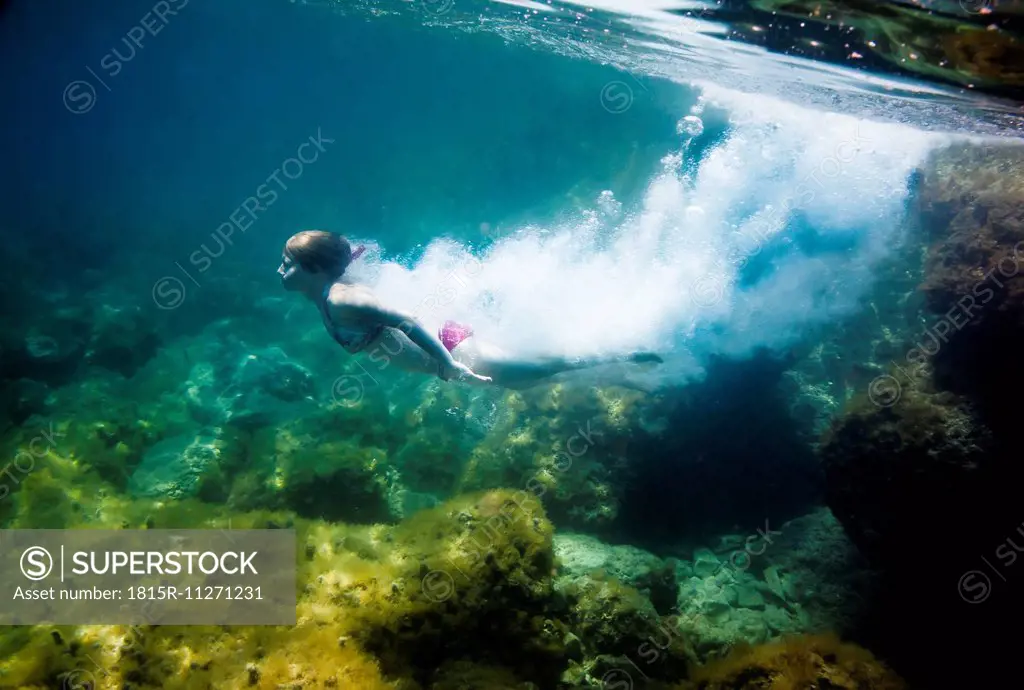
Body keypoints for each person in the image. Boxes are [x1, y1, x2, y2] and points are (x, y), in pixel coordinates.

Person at [277, 230, 661, 389]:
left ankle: (627, 354)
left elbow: (406, 320)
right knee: (531, 379)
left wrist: (450, 364)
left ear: (315, 269)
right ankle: (623, 370)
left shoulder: (342, 299)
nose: (280, 269)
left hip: (457, 350)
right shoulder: (329, 293)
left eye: (287, 263)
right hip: (451, 346)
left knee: (543, 370)